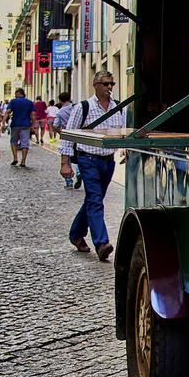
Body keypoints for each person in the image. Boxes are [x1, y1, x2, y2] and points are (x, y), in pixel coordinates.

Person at [59, 70, 124, 260]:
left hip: (107, 161)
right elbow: (68, 135)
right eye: (105, 84)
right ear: (95, 85)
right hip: (88, 160)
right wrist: (65, 163)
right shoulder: (83, 107)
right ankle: (102, 243)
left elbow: (123, 129)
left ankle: (76, 234)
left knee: (93, 200)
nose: (109, 87)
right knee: (95, 200)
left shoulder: (119, 107)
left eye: (111, 83)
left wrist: (125, 149)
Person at [6, 87, 35, 156]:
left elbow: (8, 112)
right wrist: (33, 125)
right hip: (26, 124)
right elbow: (33, 114)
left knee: (14, 141)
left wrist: (3, 122)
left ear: (18, 93)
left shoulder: (13, 101)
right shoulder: (29, 102)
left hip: (15, 124)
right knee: (25, 142)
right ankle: (23, 161)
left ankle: (15, 158)